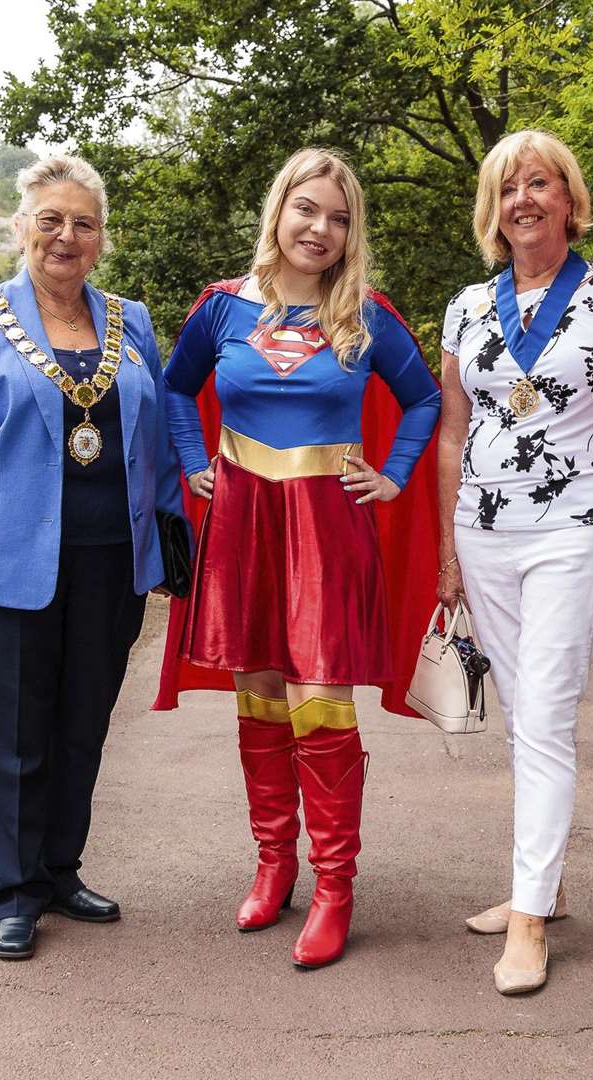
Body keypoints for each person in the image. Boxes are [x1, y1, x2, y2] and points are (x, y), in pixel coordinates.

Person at [162, 148, 441, 970]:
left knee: (321, 702)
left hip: (327, 522)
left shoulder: (366, 316)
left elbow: (423, 396)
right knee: (258, 695)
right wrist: (193, 462)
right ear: (279, 210)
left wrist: (392, 477)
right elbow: (179, 389)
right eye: (308, 209)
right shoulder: (221, 310)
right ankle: (273, 863)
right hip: (245, 518)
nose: (322, 228)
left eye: (340, 217)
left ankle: (335, 886)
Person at [0, 155, 184, 962]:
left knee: (82, 727)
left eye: (84, 223)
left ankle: (60, 870)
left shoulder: (132, 321)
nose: (67, 236)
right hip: (3, 570)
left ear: (101, 238)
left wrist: (166, 547)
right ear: (23, 227)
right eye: (51, 220)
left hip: (109, 563)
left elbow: (156, 440)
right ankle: (11, 891)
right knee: (11, 734)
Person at [436, 130, 593, 995]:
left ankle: (528, 922)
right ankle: (548, 884)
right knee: (522, 711)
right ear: (493, 211)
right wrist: (448, 550)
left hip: (577, 522)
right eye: (508, 188)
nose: (524, 199)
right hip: (485, 530)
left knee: (549, 716)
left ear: (569, 197)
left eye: (541, 183)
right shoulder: (465, 307)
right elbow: (455, 432)